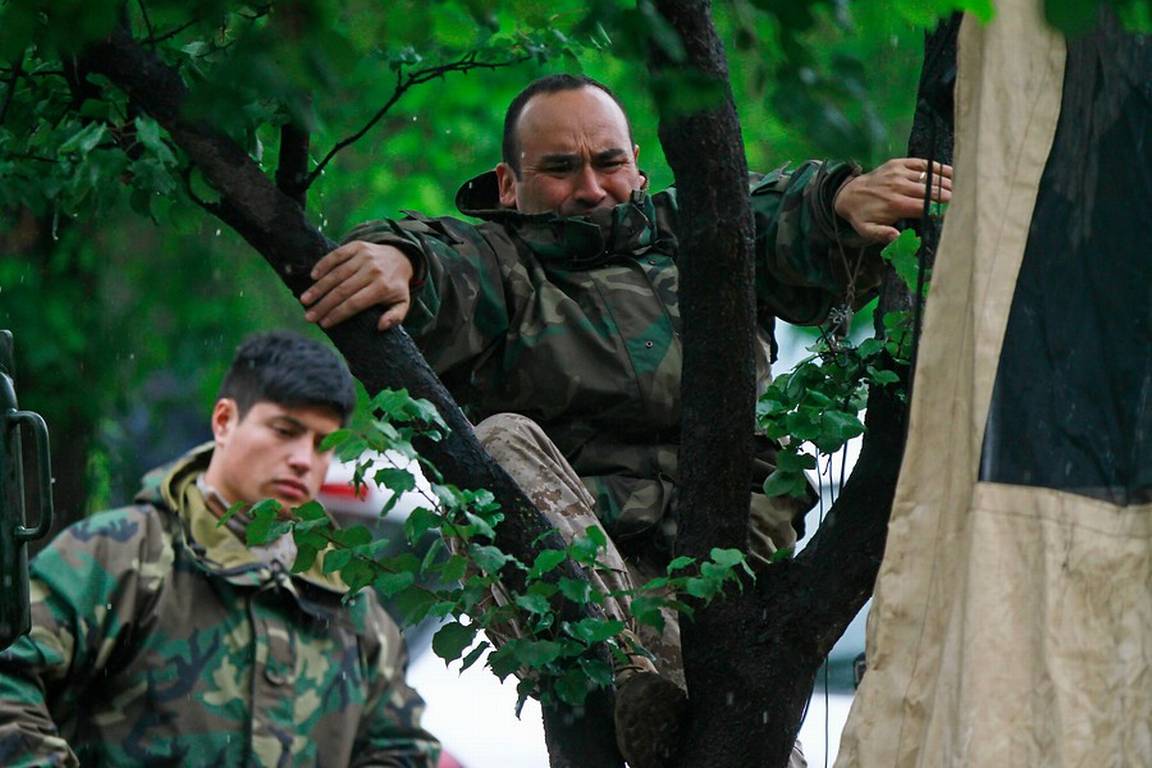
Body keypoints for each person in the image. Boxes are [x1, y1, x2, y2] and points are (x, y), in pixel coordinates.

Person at [301, 74, 951, 767]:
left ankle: (654, 694)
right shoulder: (500, 264)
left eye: (608, 162)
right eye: (560, 168)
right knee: (496, 444)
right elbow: (435, 261)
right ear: (509, 184)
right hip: (584, 577)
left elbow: (780, 209)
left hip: (727, 578)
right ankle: (628, 679)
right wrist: (396, 257)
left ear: (637, 164)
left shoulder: (698, 232)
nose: (591, 188)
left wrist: (842, 197)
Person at [0, 332, 440, 768]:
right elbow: (8, 674)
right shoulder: (119, 554)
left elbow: (404, 748)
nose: (304, 460)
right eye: (285, 431)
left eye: (323, 444)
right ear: (225, 421)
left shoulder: (347, 597)